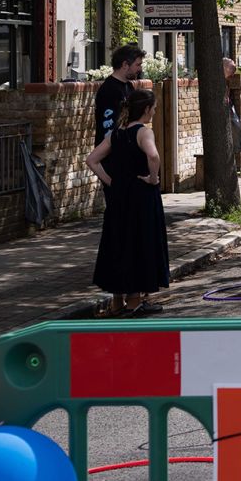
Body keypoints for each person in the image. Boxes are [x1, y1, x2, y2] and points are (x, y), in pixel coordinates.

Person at [87, 89, 168, 317]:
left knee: (118, 244)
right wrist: (153, 178)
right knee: (139, 243)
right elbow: (153, 156)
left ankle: (117, 303)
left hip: (119, 197)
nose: (154, 112)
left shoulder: (115, 134)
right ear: (145, 109)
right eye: (153, 108)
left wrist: (111, 181)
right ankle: (134, 302)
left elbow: (92, 160)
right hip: (141, 197)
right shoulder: (143, 132)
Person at [93, 44, 144, 146]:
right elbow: (109, 126)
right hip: (111, 154)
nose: (140, 69)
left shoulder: (129, 86)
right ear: (125, 65)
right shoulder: (109, 89)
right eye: (137, 65)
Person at [223, 57, 241, 161]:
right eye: (231, 71)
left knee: (236, 124)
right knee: (235, 123)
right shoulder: (220, 79)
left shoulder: (226, 80)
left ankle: (239, 146)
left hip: (227, 105)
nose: (232, 75)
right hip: (225, 107)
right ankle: (238, 146)